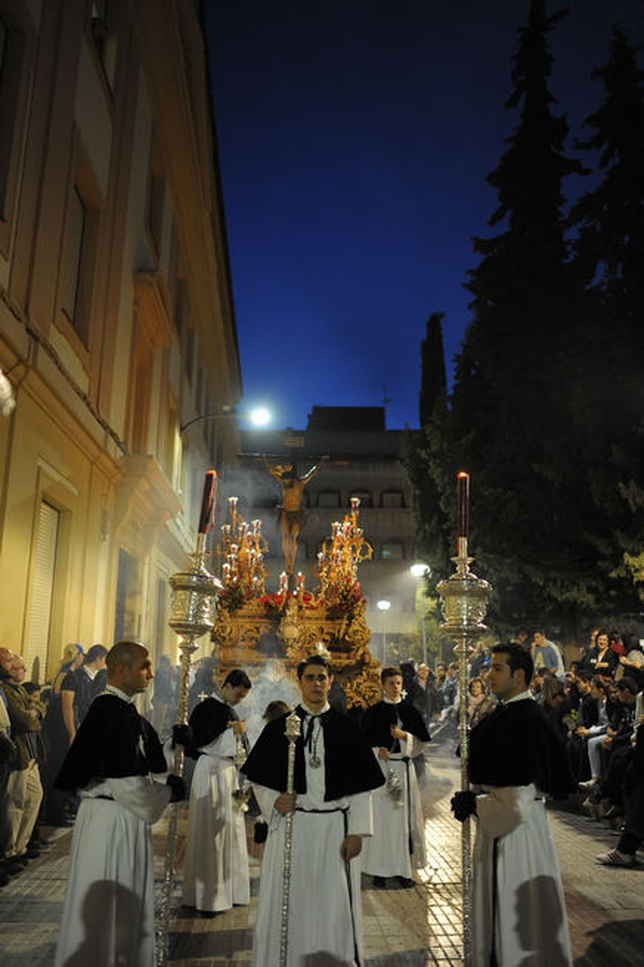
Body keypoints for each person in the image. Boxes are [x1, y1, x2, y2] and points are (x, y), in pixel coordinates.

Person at [241, 653, 384, 967]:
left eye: (323, 677)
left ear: (330, 681)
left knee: (332, 902)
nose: (317, 683)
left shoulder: (348, 728)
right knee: (292, 900)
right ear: (299, 681)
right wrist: (274, 801)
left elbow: (362, 785)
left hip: (336, 829)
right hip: (294, 826)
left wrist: (358, 831)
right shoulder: (281, 727)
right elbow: (259, 779)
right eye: (311, 678)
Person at [53, 640, 188, 967]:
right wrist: (169, 792)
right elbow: (128, 784)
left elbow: (143, 762)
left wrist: (173, 747)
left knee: (122, 901)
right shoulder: (108, 712)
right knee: (108, 904)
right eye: (145, 666)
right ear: (120, 669)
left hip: (122, 817)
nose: (152, 674)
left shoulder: (125, 711)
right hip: (110, 821)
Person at [451, 643, 575, 967]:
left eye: (497, 668)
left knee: (513, 913)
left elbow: (517, 802)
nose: (489, 675)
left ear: (518, 675)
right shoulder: (506, 713)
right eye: (489, 667)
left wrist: (476, 804)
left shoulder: (526, 720)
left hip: (514, 832)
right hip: (500, 823)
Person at [182, 668, 252, 914]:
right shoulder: (205, 709)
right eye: (239, 694)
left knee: (232, 828)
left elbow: (239, 745)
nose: (239, 700)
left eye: (243, 697)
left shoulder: (229, 711)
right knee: (210, 830)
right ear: (228, 685)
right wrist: (233, 733)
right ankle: (208, 897)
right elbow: (201, 743)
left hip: (229, 774)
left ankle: (230, 891)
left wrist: (239, 737)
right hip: (210, 772)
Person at [360, 666, 430, 888]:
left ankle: (402, 871)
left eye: (398, 683)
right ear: (383, 685)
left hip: (403, 769)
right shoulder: (373, 712)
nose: (395, 687)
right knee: (381, 822)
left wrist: (404, 736)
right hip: (382, 771)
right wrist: (376, 751)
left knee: (403, 823)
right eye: (391, 683)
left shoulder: (410, 711)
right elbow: (362, 745)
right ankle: (379, 872)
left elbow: (421, 743)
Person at [0, 649, 44, 865]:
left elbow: (40, 708)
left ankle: (20, 846)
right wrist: (33, 713)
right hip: (19, 754)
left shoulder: (18, 690)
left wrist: (34, 712)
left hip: (31, 754)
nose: (23, 671)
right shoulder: (7, 691)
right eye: (16, 665)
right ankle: (11, 851)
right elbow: (24, 720)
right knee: (14, 803)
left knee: (34, 797)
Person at [264, 458, 324, 575]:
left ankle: (292, 561)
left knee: (292, 538)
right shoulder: (283, 483)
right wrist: (265, 460)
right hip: (285, 512)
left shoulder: (300, 483)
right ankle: (288, 562)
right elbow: (272, 472)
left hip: (297, 514)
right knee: (285, 537)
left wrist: (320, 463)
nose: (285, 482)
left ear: (291, 478)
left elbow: (311, 474)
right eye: (284, 480)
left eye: (287, 480)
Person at [74, 644, 108, 726]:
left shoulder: (96, 677)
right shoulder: (80, 676)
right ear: (98, 658)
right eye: (104, 659)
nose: (105, 663)